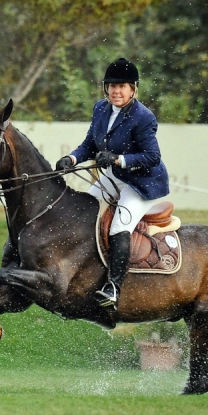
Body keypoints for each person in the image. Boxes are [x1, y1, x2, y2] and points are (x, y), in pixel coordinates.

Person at [55, 58, 169, 310]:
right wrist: (72, 158)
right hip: (115, 176)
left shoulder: (143, 117)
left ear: (133, 89)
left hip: (141, 182)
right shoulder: (100, 109)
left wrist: (118, 159)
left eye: (123, 86)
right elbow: (89, 145)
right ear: (106, 88)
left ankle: (114, 287)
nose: (116, 91)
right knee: (84, 211)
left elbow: (153, 157)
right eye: (112, 86)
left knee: (119, 226)